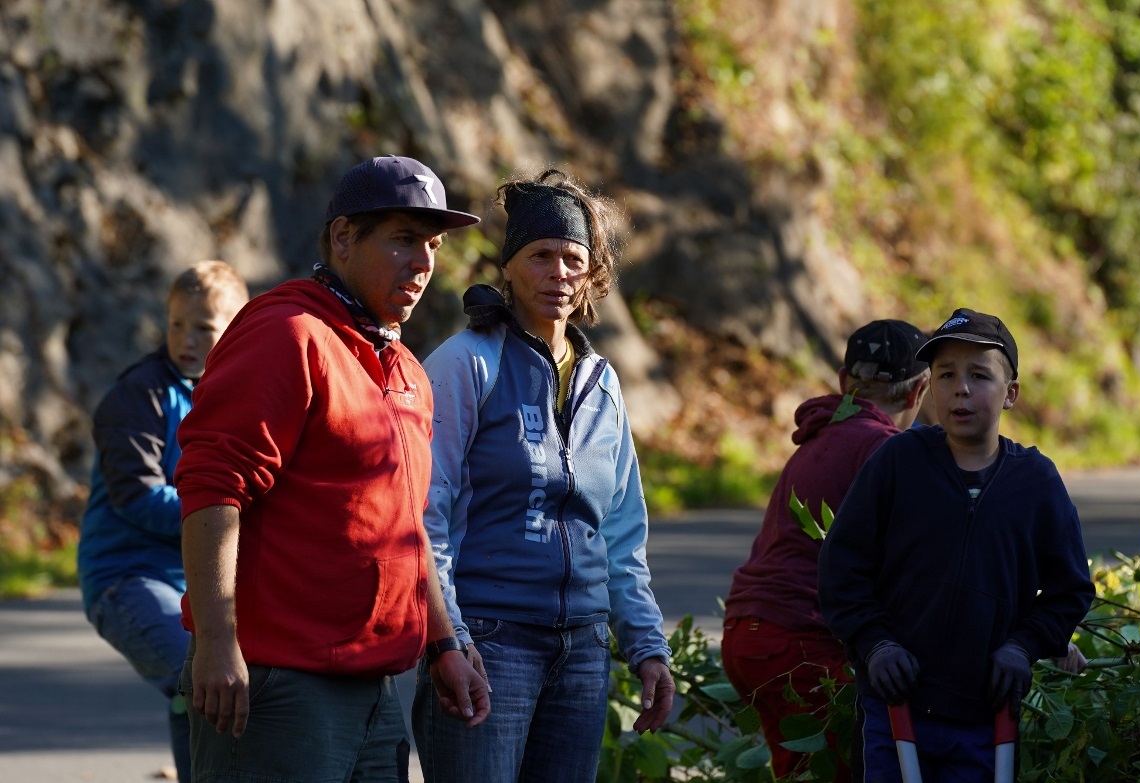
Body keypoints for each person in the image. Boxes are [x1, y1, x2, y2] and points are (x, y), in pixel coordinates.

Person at [174, 156, 491, 783]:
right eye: (404, 239)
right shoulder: (286, 332)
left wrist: (442, 643)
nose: (423, 262)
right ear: (343, 237)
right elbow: (213, 486)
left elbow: (407, 526)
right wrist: (216, 641)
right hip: (276, 685)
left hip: (375, 689)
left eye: (432, 245)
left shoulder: (402, 364)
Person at [411, 169, 674, 783]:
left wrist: (646, 645)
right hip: (487, 641)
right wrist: (448, 639)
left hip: (582, 652)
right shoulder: (466, 363)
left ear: (591, 275)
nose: (558, 272)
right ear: (508, 267)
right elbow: (425, 512)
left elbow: (620, 532)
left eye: (573, 259)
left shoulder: (602, 383)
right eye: (540, 256)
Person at [818, 307, 1096, 783]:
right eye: (946, 375)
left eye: (979, 375)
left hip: (984, 717)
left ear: (1011, 393)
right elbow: (841, 566)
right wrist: (875, 643)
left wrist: (1022, 646)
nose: (960, 388)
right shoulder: (898, 462)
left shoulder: (1036, 483)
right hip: (894, 707)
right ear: (930, 388)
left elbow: (1070, 590)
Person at [722, 318, 930, 781]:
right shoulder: (887, 450)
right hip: (803, 642)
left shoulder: (818, 439)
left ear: (842, 381)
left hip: (747, 633)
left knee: (802, 773)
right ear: (918, 392)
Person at [77, 259, 248, 783]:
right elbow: (138, 497)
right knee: (199, 676)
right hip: (126, 577)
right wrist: (227, 514)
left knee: (217, 688)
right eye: (176, 324)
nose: (186, 339)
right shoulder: (139, 395)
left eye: (203, 327)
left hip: (198, 582)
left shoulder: (232, 393)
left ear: (235, 330)